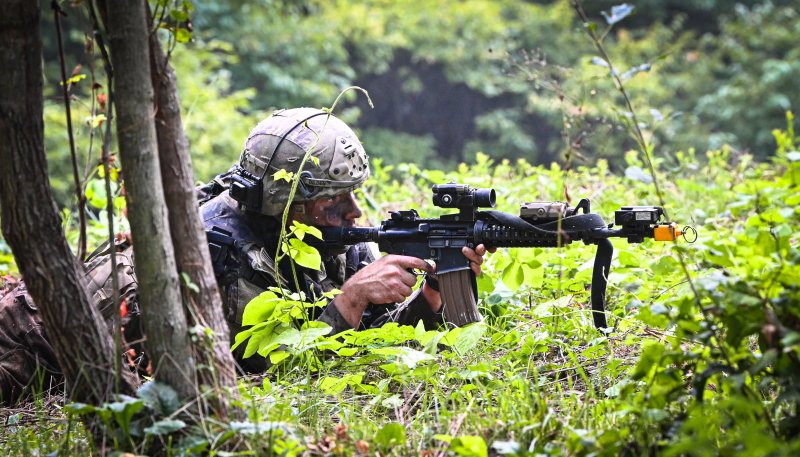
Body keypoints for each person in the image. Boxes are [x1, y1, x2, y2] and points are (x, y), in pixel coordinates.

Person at [0, 107, 490, 401]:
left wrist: (429, 299)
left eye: (352, 194)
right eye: (335, 199)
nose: (354, 211)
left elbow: (367, 342)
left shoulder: (323, 232)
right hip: (31, 340)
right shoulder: (217, 253)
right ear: (286, 204)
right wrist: (347, 303)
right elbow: (247, 375)